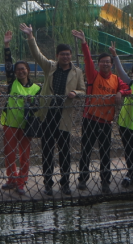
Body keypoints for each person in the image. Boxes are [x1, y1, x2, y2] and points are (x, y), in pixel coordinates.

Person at [19, 24, 86, 196]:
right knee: (47, 151)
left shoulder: (77, 72)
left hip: (64, 116)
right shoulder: (50, 67)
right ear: (57, 56)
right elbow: (37, 55)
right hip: (48, 115)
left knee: (64, 152)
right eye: (62, 54)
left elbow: (83, 90)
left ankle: (65, 183)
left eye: (68, 54)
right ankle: (47, 183)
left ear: (71, 56)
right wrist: (30, 36)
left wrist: (75, 93)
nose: (65, 57)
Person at [72, 29, 129, 194]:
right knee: (86, 150)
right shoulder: (93, 76)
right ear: (98, 64)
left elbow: (128, 89)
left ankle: (105, 182)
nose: (105, 64)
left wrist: (120, 92)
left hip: (106, 122)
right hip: (90, 118)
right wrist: (84, 42)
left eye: (108, 62)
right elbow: (87, 59)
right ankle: (83, 179)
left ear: (111, 64)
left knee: (105, 153)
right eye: (102, 62)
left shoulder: (116, 79)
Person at [1, 30, 41, 195]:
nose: (20, 72)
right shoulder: (12, 83)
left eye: (23, 69)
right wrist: (7, 45)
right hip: (10, 123)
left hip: (26, 126)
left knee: (24, 154)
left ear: (28, 70)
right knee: (9, 153)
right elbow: (8, 65)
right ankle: (11, 179)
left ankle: (21, 181)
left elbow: (38, 107)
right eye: (18, 70)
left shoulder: (36, 88)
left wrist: (30, 104)